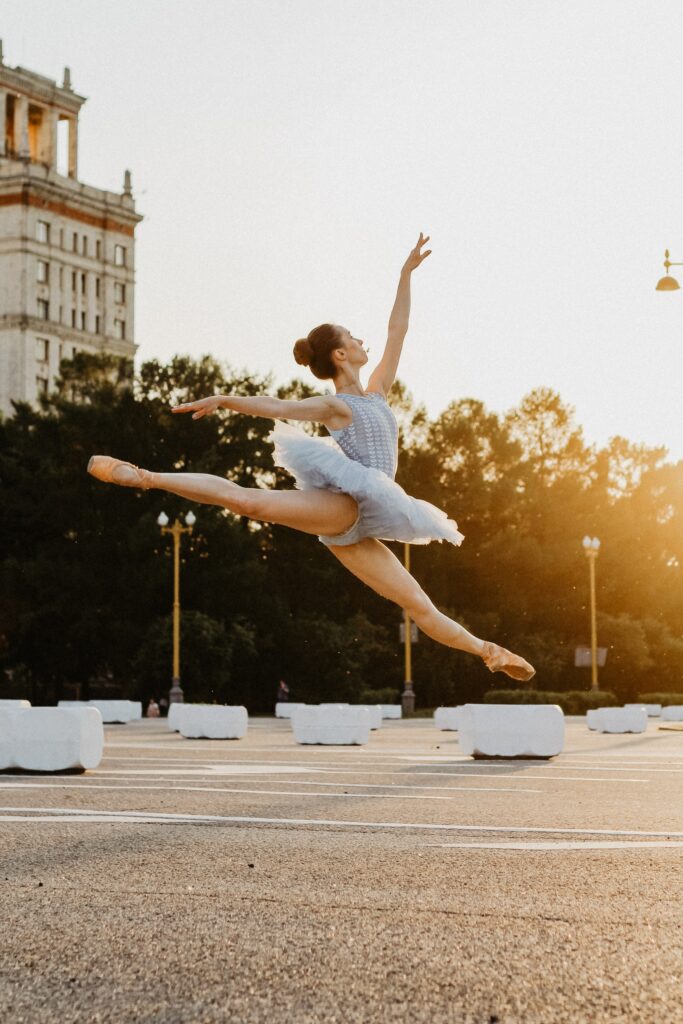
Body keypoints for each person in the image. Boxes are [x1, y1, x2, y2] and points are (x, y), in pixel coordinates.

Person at [87, 235, 534, 681]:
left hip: (374, 515)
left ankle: (488, 651)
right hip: (345, 505)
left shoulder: (377, 392)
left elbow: (398, 331)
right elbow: (280, 407)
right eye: (353, 337)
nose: (363, 340)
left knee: (417, 605)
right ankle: (143, 476)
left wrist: (404, 276)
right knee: (249, 502)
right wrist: (225, 399)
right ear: (341, 355)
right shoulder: (337, 406)